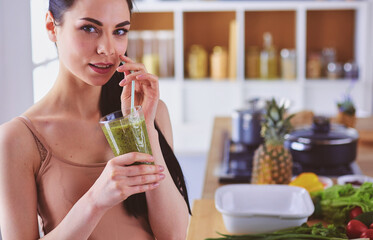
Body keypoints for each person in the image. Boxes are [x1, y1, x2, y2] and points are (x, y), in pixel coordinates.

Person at [0, 0, 191, 239]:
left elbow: (173, 235)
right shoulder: (18, 139)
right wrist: (95, 200)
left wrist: (144, 128)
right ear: (51, 27)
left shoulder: (150, 112)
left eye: (119, 31)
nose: (107, 49)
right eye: (90, 28)